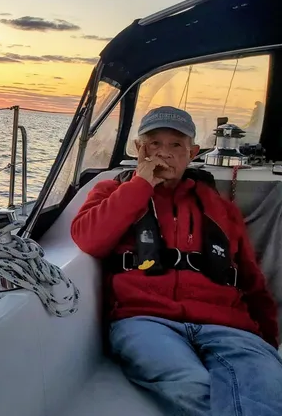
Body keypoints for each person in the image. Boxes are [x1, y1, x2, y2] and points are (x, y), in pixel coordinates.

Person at [70, 105, 282, 416]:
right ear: (138, 148)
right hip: (145, 321)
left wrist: (266, 341)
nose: (163, 154)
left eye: (175, 145)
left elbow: (252, 280)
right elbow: (88, 238)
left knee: (266, 390)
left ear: (193, 152)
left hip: (228, 325)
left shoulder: (220, 208)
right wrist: (140, 185)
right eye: (154, 143)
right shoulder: (112, 191)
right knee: (192, 386)